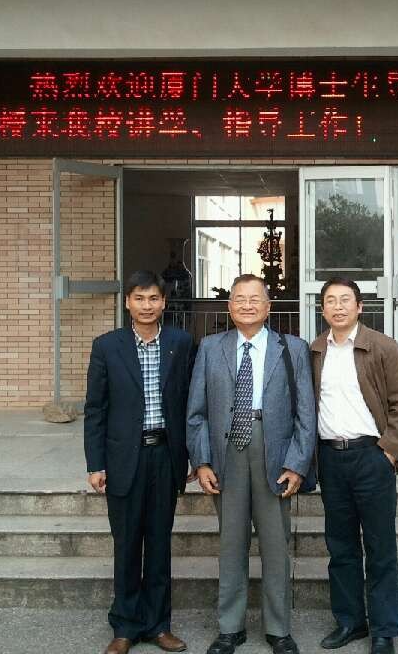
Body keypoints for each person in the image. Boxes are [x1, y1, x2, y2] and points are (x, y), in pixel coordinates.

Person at [187, 274, 316, 654]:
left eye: (254, 299)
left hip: (273, 449)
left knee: (276, 545)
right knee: (231, 543)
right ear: (229, 307)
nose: (247, 305)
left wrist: (297, 463)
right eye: (239, 299)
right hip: (226, 451)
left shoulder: (292, 348)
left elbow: (305, 413)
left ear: (268, 306)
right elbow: (196, 412)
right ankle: (230, 627)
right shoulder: (210, 347)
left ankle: (279, 629)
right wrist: (202, 461)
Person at [84, 270, 196, 654]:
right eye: (139, 298)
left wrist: (193, 456)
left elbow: (190, 404)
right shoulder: (107, 346)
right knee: (128, 544)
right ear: (127, 303)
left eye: (153, 299)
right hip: (123, 459)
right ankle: (125, 626)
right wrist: (96, 463)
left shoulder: (181, 343)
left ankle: (159, 625)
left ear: (163, 303)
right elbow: (95, 409)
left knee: (160, 544)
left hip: (165, 456)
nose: (147, 306)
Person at [309, 278, 398, 654]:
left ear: (359, 307)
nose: (338, 307)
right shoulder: (315, 350)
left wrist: (388, 450)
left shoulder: (381, 346)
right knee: (340, 546)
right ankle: (350, 621)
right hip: (331, 458)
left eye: (345, 300)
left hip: (372, 456)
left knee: (379, 545)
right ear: (322, 309)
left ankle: (384, 629)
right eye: (330, 301)